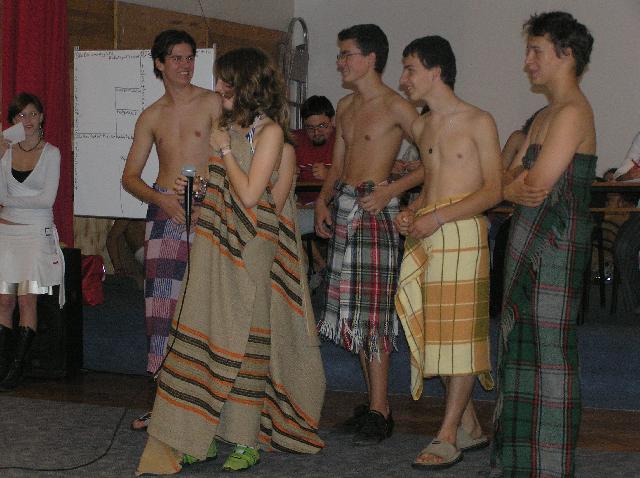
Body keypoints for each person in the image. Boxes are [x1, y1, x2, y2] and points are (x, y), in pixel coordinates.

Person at [136, 47, 324, 475]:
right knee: (211, 337)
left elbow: (254, 198)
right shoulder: (229, 129)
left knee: (245, 342)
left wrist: (222, 152)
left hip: (251, 250)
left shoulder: (270, 133)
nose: (218, 86)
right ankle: (200, 437)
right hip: (216, 245)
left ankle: (245, 439)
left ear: (247, 85)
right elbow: (221, 188)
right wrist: (200, 190)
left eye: (226, 80)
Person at [492, 12, 596, 477]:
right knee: (518, 351)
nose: (527, 61)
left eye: (536, 51)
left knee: (550, 357)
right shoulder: (544, 116)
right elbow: (507, 178)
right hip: (527, 244)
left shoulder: (573, 112)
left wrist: (509, 182)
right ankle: (520, 464)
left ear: (565, 54)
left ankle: (551, 467)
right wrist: (509, 183)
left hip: (554, 248)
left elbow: (533, 184)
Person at [394, 36, 502, 470]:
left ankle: (447, 434)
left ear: (435, 71)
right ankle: (469, 425)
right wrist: (413, 210)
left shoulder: (478, 120)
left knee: (460, 337)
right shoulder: (422, 127)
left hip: (462, 232)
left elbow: (493, 191)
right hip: (429, 230)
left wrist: (437, 217)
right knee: (433, 331)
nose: (403, 79)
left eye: (410, 69)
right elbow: (432, 184)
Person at [314, 24, 423, 446]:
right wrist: (323, 200)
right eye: (340, 54)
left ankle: (381, 409)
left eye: (347, 54)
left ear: (371, 58)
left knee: (373, 312)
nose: (340, 62)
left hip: (376, 208)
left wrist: (393, 191)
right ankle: (375, 404)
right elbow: (339, 164)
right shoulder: (345, 106)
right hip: (345, 203)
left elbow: (436, 157)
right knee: (352, 312)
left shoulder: (397, 106)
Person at [121, 29, 221, 430]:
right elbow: (129, 177)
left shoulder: (212, 102)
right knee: (161, 307)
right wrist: (162, 200)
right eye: (176, 58)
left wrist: (207, 198)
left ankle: (209, 406)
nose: (185, 65)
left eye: (190, 57)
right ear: (160, 63)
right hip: (166, 210)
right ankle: (164, 403)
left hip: (209, 208)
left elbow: (230, 158)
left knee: (208, 305)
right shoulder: (151, 115)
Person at [0, 92, 64, 391]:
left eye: (32, 114)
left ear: (42, 118)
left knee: (28, 300)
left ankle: (17, 369)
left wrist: (9, 202)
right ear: (12, 120)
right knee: (4, 301)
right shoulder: (6, 151)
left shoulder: (51, 153)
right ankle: (3, 365)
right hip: (6, 233)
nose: (27, 120)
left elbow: (47, 200)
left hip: (36, 233)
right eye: (20, 115)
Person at [293, 95, 336, 275]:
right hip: (302, 206)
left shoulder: (342, 141)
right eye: (310, 128)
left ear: (332, 121)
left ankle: (319, 266)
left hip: (332, 207)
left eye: (322, 126)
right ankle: (319, 265)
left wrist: (331, 174)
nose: (316, 132)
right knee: (286, 217)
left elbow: (356, 176)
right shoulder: (295, 139)